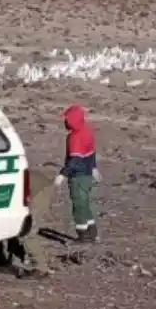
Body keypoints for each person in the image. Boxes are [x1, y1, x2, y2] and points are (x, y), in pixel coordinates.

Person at [54, 103, 101, 242]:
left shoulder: (75, 137)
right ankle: (93, 232)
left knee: (78, 206)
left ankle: (83, 235)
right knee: (85, 204)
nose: (65, 122)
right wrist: (93, 168)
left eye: (67, 120)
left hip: (77, 177)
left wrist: (63, 174)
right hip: (87, 175)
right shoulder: (87, 132)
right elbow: (91, 153)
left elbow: (74, 160)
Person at [13, 168, 55, 279]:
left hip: (40, 191)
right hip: (39, 187)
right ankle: (29, 257)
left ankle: (41, 268)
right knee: (23, 228)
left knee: (29, 232)